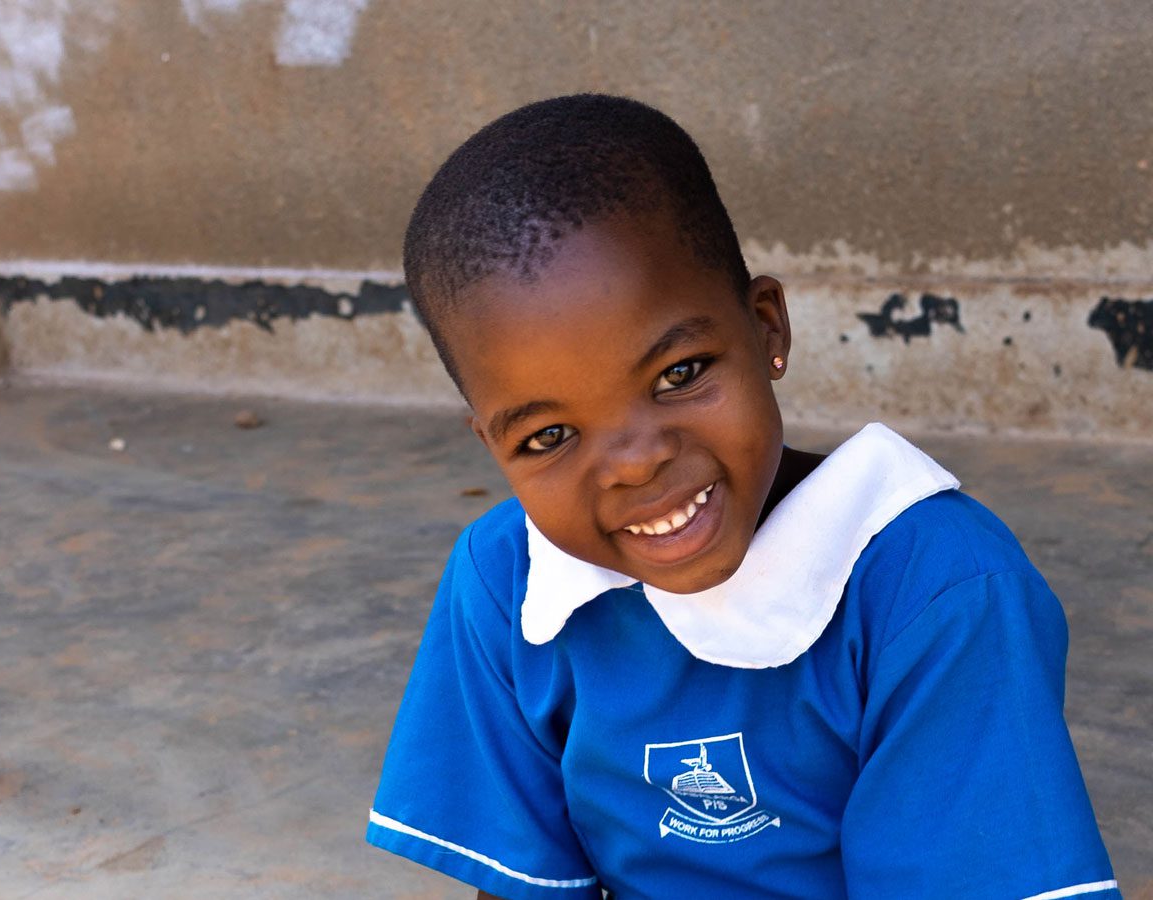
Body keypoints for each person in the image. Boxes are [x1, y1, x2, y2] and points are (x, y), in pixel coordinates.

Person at [365, 93, 1119, 899]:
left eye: (678, 374)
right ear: (493, 446)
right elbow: (522, 883)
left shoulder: (939, 584)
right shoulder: (506, 577)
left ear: (766, 329)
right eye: (547, 436)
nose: (634, 465)